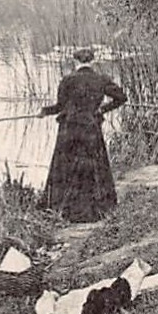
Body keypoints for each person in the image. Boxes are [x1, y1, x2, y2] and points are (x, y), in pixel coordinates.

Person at [38, 48, 127, 224]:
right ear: (93, 61)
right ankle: (96, 209)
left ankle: (63, 209)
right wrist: (102, 109)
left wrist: (44, 112)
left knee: (65, 167)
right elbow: (121, 98)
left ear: (75, 62)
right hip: (91, 129)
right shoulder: (101, 80)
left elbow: (60, 107)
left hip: (69, 130)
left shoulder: (67, 80)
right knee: (93, 167)